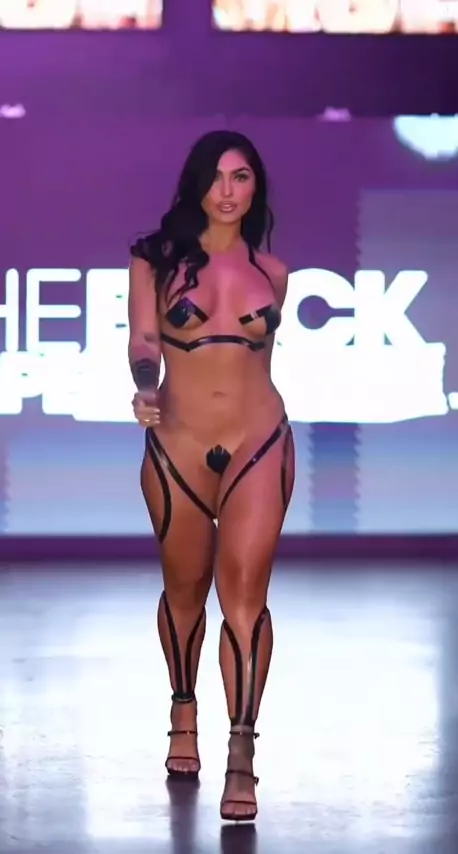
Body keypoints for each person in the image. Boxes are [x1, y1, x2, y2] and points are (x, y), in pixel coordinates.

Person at [128, 130, 295, 822]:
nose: (228, 191)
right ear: (196, 183)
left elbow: (261, 358)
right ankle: (183, 710)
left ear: (256, 187)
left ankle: (243, 751)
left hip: (259, 439)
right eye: (217, 176)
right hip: (179, 443)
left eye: (242, 177)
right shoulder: (155, 260)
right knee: (185, 591)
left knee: (246, 598)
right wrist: (145, 385)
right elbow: (144, 338)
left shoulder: (273, 272)